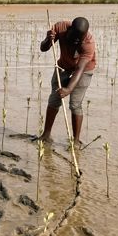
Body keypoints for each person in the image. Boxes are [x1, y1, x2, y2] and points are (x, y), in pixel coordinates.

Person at [38, 16, 96, 147]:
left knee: (75, 104)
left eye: (78, 40)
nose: (76, 42)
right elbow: (43, 48)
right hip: (63, 66)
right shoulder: (60, 27)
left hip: (84, 71)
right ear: (69, 29)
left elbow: (80, 69)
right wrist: (48, 39)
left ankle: (75, 141)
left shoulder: (88, 43)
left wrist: (68, 89)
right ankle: (46, 135)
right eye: (73, 38)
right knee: (54, 98)